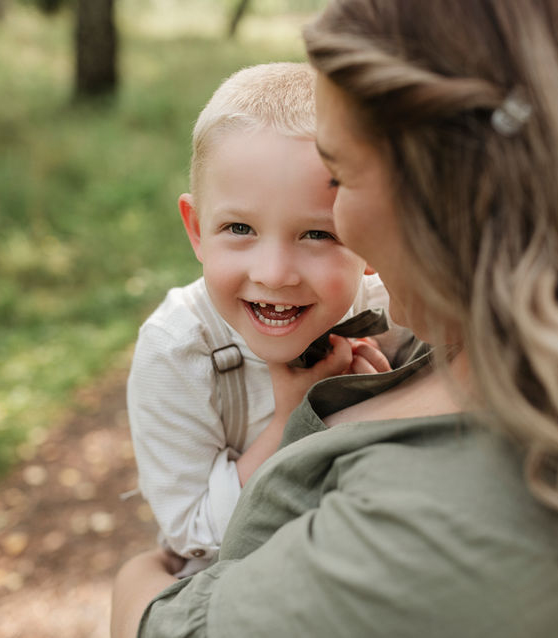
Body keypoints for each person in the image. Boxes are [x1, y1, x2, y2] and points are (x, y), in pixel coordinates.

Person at [112, 1, 558, 636]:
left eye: (340, 178)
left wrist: (135, 582)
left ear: (446, 192)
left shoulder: (447, 522)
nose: (334, 225)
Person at [126, 62, 410, 577]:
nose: (275, 274)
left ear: (369, 236)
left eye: (317, 235)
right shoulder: (176, 350)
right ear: (195, 229)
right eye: (239, 227)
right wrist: (289, 421)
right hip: (235, 584)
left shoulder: (398, 307)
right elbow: (193, 534)